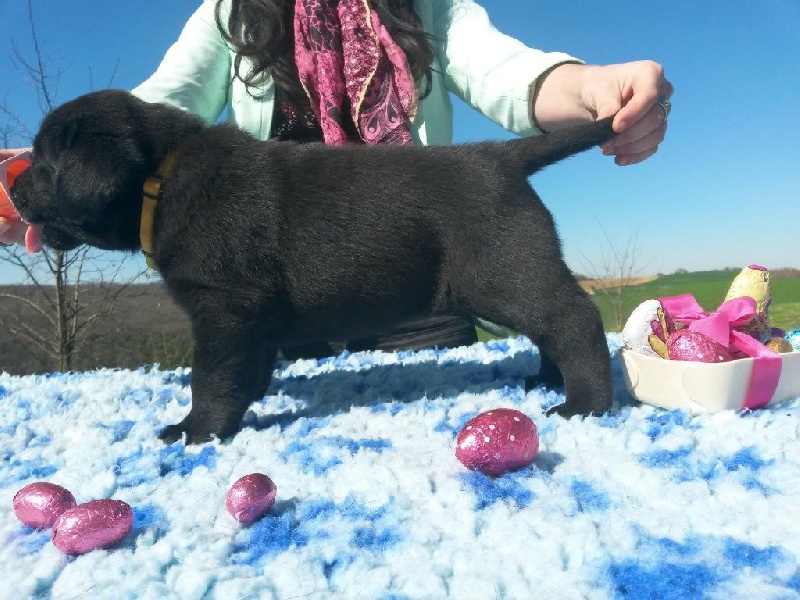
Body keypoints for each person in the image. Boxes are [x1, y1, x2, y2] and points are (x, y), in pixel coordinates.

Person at [1, 0, 672, 358]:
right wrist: (39, 176)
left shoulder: (426, 6)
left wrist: (589, 87)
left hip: (417, 289)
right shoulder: (228, 14)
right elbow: (152, 111)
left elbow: (502, 71)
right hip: (284, 300)